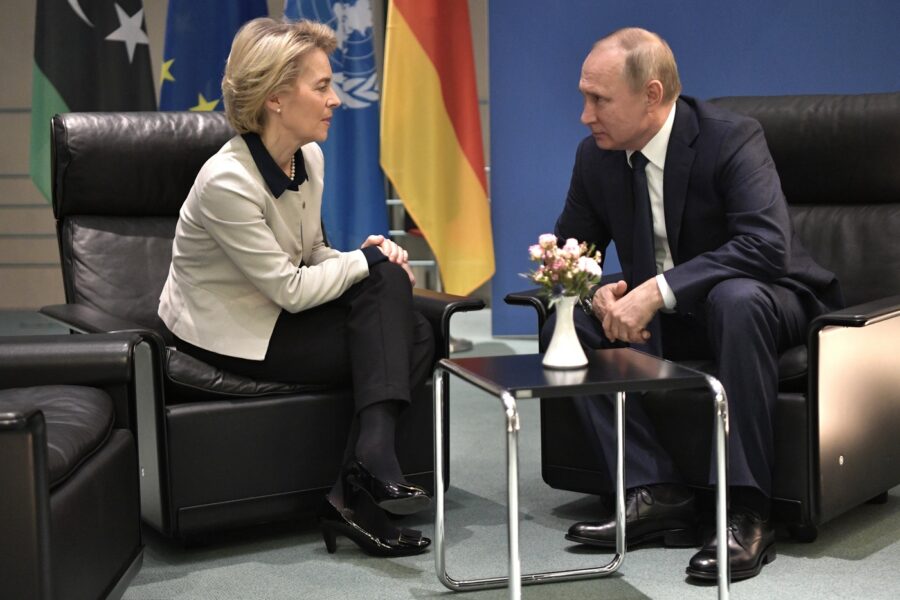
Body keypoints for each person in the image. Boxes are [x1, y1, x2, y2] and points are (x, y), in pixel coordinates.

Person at [548, 28, 843, 580]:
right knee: (566, 319)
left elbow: (764, 246)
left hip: (770, 301)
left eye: (600, 100)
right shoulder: (597, 157)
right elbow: (571, 255)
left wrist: (653, 292)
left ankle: (746, 512)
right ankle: (654, 489)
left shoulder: (729, 138)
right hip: (675, 315)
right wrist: (594, 288)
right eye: (584, 97)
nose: (585, 115)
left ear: (652, 95)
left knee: (737, 300)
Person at [158, 18, 434, 557]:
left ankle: (358, 484)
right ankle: (360, 486)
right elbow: (290, 288)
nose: (335, 99)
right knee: (403, 322)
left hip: (277, 309)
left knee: (406, 316)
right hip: (229, 330)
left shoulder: (309, 156)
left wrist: (366, 258)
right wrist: (365, 261)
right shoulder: (227, 181)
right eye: (322, 86)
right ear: (277, 98)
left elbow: (310, 256)